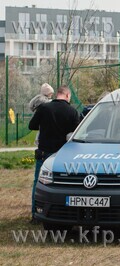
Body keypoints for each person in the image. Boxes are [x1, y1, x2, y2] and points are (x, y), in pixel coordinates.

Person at [28, 85, 80, 224]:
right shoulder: (72, 111)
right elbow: (77, 132)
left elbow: (31, 126)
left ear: (57, 94)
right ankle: (63, 213)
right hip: (63, 154)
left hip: (44, 152)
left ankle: (36, 214)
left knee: (39, 183)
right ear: (68, 96)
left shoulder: (44, 108)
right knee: (64, 185)